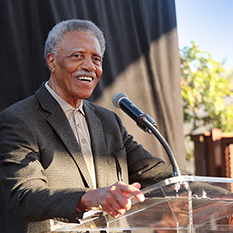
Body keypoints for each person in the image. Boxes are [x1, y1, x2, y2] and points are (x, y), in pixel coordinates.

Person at [0, 19, 224, 233]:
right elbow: (25, 196)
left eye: (96, 59)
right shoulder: (19, 119)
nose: (89, 66)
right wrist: (89, 197)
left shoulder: (108, 121)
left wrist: (217, 193)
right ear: (52, 61)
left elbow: (153, 172)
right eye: (77, 56)